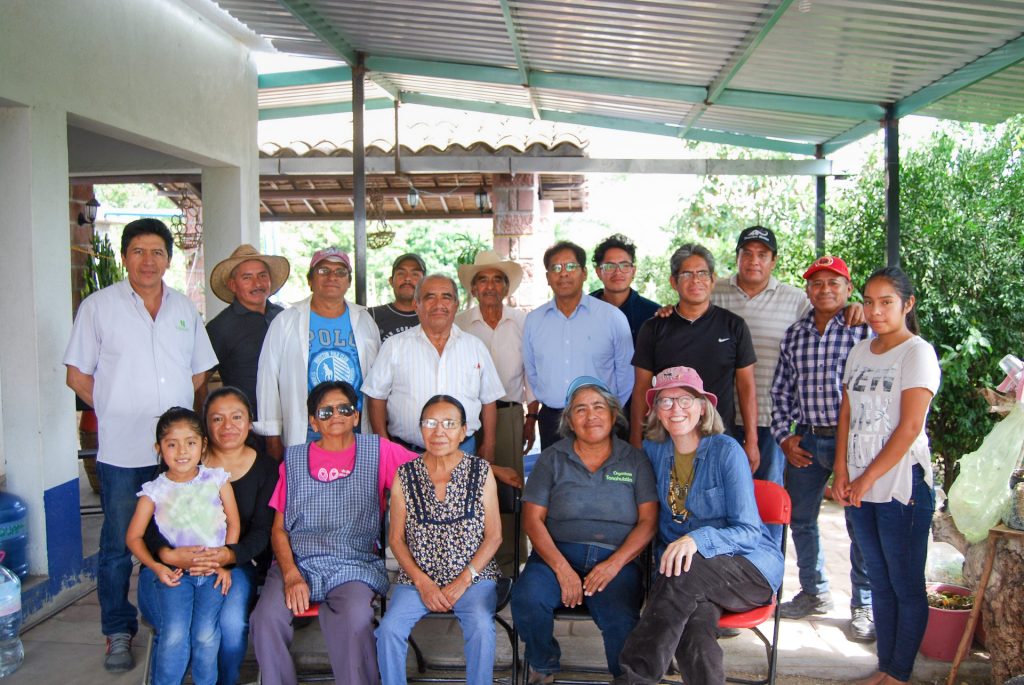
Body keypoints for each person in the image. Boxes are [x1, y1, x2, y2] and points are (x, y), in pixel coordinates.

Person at [64, 218, 217, 671]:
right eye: (138, 251)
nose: (147, 261)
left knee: (178, 533)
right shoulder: (98, 307)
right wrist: (112, 408)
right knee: (117, 543)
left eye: (157, 252)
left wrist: (172, 429)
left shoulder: (184, 311)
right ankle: (117, 631)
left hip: (177, 457)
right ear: (126, 256)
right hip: (122, 451)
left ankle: (168, 619)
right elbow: (77, 375)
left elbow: (199, 371)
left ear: (169, 259)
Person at [614, 366, 783, 685]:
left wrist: (697, 540)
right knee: (694, 627)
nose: (674, 409)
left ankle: (634, 678)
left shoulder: (725, 451)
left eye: (684, 399)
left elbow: (748, 531)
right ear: (656, 412)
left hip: (748, 568)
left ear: (703, 406)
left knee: (682, 574)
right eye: (665, 402)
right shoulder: (653, 450)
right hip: (688, 577)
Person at [250, 381, 417, 685]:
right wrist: (290, 574)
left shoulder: (378, 450)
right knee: (264, 620)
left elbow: (431, 470)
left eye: (344, 408)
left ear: (356, 416)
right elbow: (278, 529)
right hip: (299, 562)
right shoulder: (295, 458)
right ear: (313, 421)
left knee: (355, 618)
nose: (336, 415)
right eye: (325, 411)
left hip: (353, 563)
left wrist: (492, 471)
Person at [511, 376, 657, 683]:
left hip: (615, 561)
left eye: (598, 407)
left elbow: (648, 521)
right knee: (527, 598)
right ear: (569, 421)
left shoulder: (634, 460)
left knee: (621, 619)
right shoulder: (552, 458)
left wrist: (614, 564)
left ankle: (624, 678)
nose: (590, 416)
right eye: (580, 409)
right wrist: (562, 569)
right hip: (555, 556)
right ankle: (543, 663)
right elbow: (532, 519)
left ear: (613, 414)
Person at [833, 267, 940, 685]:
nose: (875, 311)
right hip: (859, 483)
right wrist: (842, 470)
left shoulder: (917, 353)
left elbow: (909, 427)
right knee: (879, 580)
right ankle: (884, 668)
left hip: (902, 487)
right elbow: (847, 412)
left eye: (887, 302)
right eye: (870, 301)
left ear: (907, 304)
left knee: (905, 583)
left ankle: (899, 673)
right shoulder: (861, 351)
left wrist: (864, 479)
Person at [139, 386, 280, 685]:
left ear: (250, 422)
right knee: (177, 629)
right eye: (217, 419)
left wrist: (228, 556)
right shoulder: (181, 464)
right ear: (206, 428)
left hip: (234, 563)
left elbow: (263, 531)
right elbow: (149, 528)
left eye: (237, 417)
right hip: (173, 564)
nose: (228, 426)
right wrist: (167, 554)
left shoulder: (267, 468)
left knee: (229, 626)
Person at [770, 256, 874, 641]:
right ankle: (814, 592)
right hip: (808, 440)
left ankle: (863, 603)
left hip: (855, 442)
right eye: (817, 283)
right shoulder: (794, 335)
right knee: (800, 519)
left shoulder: (863, 330)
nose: (825, 289)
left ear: (849, 289)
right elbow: (780, 391)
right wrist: (785, 436)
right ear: (807, 291)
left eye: (834, 283)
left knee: (858, 522)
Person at [376, 395, 503, 685]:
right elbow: (396, 538)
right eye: (430, 423)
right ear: (420, 429)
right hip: (418, 577)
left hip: (473, 575)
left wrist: (463, 580)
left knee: (482, 626)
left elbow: (494, 536)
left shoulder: (481, 471)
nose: (439, 432)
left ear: (463, 431)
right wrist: (422, 581)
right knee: (389, 630)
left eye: (449, 424)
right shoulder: (405, 475)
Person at [125, 407, 241, 685]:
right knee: (175, 634)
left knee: (205, 635)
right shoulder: (154, 491)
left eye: (190, 442)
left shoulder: (217, 481)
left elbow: (234, 524)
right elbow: (133, 537)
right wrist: (156, 567)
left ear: (203, 445)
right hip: (175, 578)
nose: (181, 451)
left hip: (212, 575)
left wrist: (226, 562)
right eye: (171, 444)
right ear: (159, 448)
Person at [364, 274, 514, 483]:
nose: (438, 304)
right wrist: (384, 444)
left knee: (461, 514)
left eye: (446, 297)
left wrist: (488, 445)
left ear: (455, 304)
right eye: (429, 297)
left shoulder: (474, 347)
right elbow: (376, 397)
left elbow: (489, 400)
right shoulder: (395, 345)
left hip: (463, 453)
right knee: (408, 514)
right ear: (417, 305)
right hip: (407, 453)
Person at [630, 243, 759, 473]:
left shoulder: (734, 326)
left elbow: (746, 386)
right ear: (673, 282)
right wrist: (636, 439)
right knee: (668, 503)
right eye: (686, 274)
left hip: (718, 436)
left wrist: (752, 441)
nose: (695, 280)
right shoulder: (654, 328)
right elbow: (641, 388)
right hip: (665, 437)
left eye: (702, 273)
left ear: (712, 279)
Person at [255, 247, 380, 460]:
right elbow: (267, 379)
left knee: (356, 491)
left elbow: (377, 378)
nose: (332, 277)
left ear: (348, 282)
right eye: (323, 271)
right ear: (310, 280)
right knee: (308, 491)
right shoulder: (286, 321)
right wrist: (272, 434)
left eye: (340, 272)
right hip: (306, 429)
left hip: (355, 427)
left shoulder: (365, 320)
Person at [455, 250, 536, 575]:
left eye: (497, 280)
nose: (490, 286)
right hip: (464, 418)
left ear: (506, 288)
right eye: (482, 280)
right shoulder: (460, 322)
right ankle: (468, 560)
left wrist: (530, 417)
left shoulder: (522, 323)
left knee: (507, 486)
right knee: (464, 488)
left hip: (508, 415)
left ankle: (509, 561)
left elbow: (532, 371)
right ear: (473, 289)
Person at [711, 227, 809, 485]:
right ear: (737, 257)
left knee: (768, 497)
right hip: (719, 417)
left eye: (762, 255)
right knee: (723, 493)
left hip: (772, 419)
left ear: (773, 260)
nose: (754, 260)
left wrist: (852, 309)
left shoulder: (797, 300)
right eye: (747, 253)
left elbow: (827, 321)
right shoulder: (713, 292)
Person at [523, 241, 634, 449]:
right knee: (557, 479)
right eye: (556, 268)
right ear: (548, 278)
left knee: (603, 480)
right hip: (553, 422)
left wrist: (609, 412)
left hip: (600, 420)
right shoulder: (533, 321)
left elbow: (626, 375)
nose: (563, 273)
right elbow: (532, 372)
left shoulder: (611, 317)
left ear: (584, 273)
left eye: (571, 267)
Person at [203, 244, 289, 418]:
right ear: (233, 285)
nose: (257, 284)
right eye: (247, 278)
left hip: (289, 417)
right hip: (245, 426)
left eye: (262, 276)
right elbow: (199, 380)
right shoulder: (220, 327)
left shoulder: (284, 318)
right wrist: (206, 422)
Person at [590, 233, 660, 342]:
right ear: (599, 272)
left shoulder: (653, 314)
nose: (618, 272)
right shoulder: (581, 311)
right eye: (609, 266)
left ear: (633, 271)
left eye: (624, 265)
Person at [368, 253, 426, 341]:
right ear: (391, 281)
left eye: (415, 274)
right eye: (401, 273)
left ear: (425, 283)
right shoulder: (371, 316)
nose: (407, 278)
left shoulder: (433, 317)